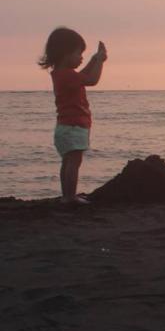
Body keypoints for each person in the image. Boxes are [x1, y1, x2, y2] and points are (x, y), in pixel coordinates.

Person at [38, 28, 108, 204]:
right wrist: (100, 61)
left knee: (68, 162)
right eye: (79, 54)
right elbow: (91, 80)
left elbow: (83, 75)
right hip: (73, 126)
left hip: (66, 126)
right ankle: (70, 197)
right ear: (65, 54)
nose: (81, 58)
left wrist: (93, 60)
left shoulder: (63, 74)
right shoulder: (67, 75)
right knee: (74, 162)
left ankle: (67, 195)